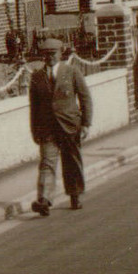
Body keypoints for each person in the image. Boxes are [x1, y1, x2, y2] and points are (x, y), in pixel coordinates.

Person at [28, 37, 92, 214]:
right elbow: (34, 107)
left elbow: (85, 97)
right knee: (47, 163)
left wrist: (86, 123)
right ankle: (44, 200)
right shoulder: (37, 77)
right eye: (46, 55)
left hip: (70, 125)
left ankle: (75, 194)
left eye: (53, 53)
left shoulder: (71, 72)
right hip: (47, 128)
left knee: (71, 161)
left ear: (61, 53)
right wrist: (35, 130)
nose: (50, 57)